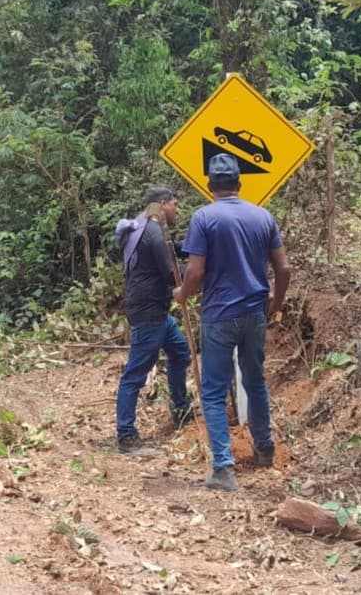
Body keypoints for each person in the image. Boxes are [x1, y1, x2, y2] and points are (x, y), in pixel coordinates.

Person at [173, 153, 291, 491]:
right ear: (240, 184)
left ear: (210, 186)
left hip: (219, 315)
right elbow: (283, 269)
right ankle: (265, 448)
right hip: (255, 312)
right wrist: (275, 303)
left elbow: (195, 272)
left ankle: (223, 468)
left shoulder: (204, 217)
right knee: (255, 382)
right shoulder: (263, 216)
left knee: (212, 391)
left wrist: (183, 293)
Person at [114, 186, 192, 454]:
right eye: (175, 204)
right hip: (149, 313)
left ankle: (181, 409)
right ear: (162, 204)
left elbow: (173, 250)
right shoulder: (152, 232)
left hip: (155, 311)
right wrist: (204, 272)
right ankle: (126, 435)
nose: (178, 210)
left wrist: (199, 249)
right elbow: (172, 274)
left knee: (180, 352)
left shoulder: (145, 225)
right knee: (136, 373)